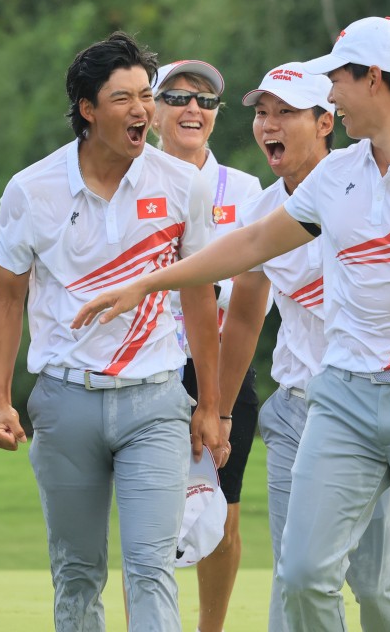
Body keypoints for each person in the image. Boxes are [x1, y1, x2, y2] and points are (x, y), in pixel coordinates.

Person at [73, 16, 390, 631]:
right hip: (343, 399)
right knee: (303, 574)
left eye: (339, 80)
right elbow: (254, 243)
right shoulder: (339, 173)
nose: (332, 94)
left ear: (374, 78)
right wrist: (150, 281)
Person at [0, 32, 223, 632]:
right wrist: (0, 401)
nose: (142, 110)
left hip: (156, 401)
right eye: (123, 98)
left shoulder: (183, 184)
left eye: (146, 96)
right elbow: (7, 299)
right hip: (65, 400)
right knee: (76, 573)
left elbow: (200, 296)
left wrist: (210, 403)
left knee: (151, 567)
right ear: (88, 109)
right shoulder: (30, 189)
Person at [218, 62, 390, 631]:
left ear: (326, 122)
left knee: (376, 582)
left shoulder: (373, 189)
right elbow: (245, 316)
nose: (268, 125)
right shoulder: (261, 211)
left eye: (286, 112)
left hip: (371, 407)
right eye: (262, 113)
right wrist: (221, 410)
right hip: (297, 410)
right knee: (295, 576)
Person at [149, 59, 263, 632]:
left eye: (205, 101)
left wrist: (218, 403)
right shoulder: (132, 180)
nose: (192, 109)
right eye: (176, 97)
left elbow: (251, 297)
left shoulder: (244, 190)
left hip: (220, 364)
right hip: (148, 364)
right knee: (150, 520)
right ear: (151, 112)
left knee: (223, 513)